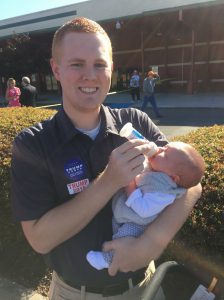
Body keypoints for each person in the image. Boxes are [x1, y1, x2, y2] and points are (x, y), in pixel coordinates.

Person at [11, 17, 202, 300]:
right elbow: (40, 239)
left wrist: (148, 247)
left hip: (145, 287)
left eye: (100, 64)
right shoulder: (33, 144)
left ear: (111, 68)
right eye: (77, 64)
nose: (90, 75)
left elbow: (189, 186)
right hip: (75, 294)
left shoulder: (135, 121)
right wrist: (109, 182)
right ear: (56, 69)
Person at [86, 141, 205, 270]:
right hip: (125, 213)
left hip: (137, 223)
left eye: (165, 154)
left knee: (125, 236)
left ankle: (108, 258)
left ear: (173, 177)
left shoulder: (163, 192)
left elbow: (143, 209)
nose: (159, 149)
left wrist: (130, 183)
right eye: (164, 147)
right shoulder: (156, 168)